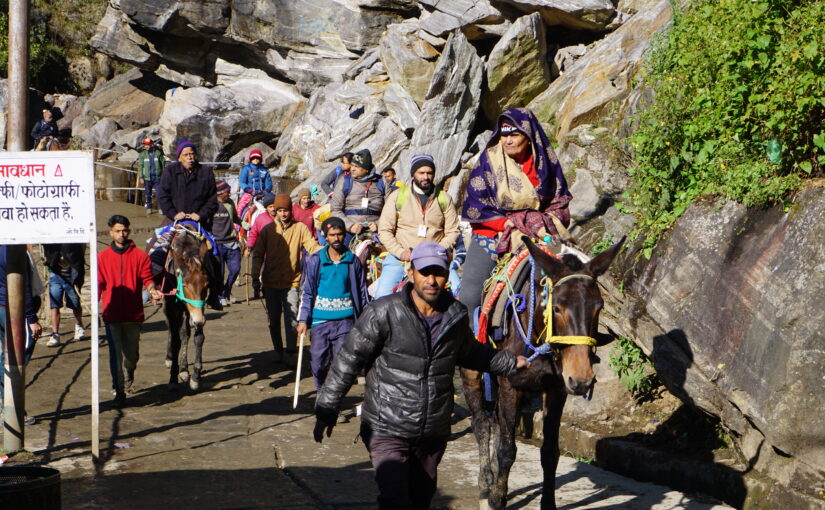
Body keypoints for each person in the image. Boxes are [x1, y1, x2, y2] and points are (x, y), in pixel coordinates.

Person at [314, 242, 530, 510]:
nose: (432, 280)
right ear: (411, 272)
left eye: (438, 272)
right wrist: (327, 407)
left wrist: (509, 362)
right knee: (395, 499)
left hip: (432, 431)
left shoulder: (455, 314)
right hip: (387, 426)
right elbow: (348, 360)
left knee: (421, 499)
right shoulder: (383, 312)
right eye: (424, 272)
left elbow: (470, 352)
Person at [460, 107, 572, 318]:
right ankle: (467, 346)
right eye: (504, 135)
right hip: (495, 234)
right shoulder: (488, 162)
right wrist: (509, 224)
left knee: (576, 275)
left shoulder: (546, 163)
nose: (507, 140)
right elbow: (477, 206)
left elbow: (559, 200)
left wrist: (540, 222)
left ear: (528, 137)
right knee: (469, 298)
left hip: (543, 232)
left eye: (514, 135)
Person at [296, 217, 368, 390]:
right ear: (325, 237)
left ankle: (332, 400)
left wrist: (366, 320)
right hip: (320, 321)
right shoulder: (316, 261)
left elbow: (362, 292)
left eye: (340, 234)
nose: (336, 238)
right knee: (318, 364)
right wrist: (303, 319)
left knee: (340, 365)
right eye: (332, 235)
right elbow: (307, 292)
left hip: (345, 321)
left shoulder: (352, 261)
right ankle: (322, 392)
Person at [97, 215, 161, 408]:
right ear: (111, 232)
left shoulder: (140, 256)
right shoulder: (102, 257)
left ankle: (129, 372)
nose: (121, 234)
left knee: (131, 355)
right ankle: (119, 388)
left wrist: (152, 290)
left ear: (129, 231)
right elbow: (99, 283)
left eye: (124, 230)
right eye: (117, 230)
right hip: (111, 314)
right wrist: (95, 303)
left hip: (134, 314)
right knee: (114, 354)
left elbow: (147, 278)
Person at [374, 155, 460, 298]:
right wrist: (401, 252)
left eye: (429, 173)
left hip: (436, 258)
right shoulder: (397, 197)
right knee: (381, 298)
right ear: (413, 173)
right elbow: (384, 230)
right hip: (401, 260)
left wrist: (438, 250)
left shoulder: (444, 198)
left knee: (460, 294)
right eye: (421, 173)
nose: (426, 177)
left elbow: (453, 231)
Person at [251, 194, 319, 365]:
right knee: (273, 321)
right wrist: (254, 276)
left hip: (292, 282)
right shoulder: (268, 230)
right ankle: (277, 350)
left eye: (285, 210)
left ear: (291, 211)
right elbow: (258, 255)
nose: (282, 214)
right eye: (279, 210)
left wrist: (328, 251)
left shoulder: (300, 228)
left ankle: (290, 351)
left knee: (292, 320)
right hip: (270, 282)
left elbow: (312, 246)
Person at [156, 138, 224, 310]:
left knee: (215, 252)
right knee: (153, 246)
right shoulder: (170, 171)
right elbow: (162, 196)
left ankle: (215, 293)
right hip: (174, 219)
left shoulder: (206, 172)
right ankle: (153, 287)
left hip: (199, 222)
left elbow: (212, 200)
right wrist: (173, 213)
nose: (190, 157)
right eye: (186, 155)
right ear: (179, 157)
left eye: (192, 154)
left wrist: (200, 215)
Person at [0, 245, 43, 425]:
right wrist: (31, 318)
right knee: (19, 352)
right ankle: (12, 409)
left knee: (9, 352)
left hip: (4, 307)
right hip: (12, 308)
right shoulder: (14, 249)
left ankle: (10, 406)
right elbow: (22, 286)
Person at [330, 149, 387, 243]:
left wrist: (378, 224)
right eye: (352, 165)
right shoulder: (344, 181)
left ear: (366, 169)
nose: (352, 169)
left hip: (376, 229)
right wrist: (350, 226)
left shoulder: (382, 182)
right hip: (350, 229)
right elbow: (335, 209)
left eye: (356, 166)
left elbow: (390, 210)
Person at [42, 243, 85, 347]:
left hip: (72, 274)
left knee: (75, 303)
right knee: (54, 304)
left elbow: (82, 247)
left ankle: (79, 325)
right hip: (55, 274)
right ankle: (55, 334)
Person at [213, 180, 243, 306]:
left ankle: (227, 290)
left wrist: (244, 224)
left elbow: (235, 217)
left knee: (235, 269)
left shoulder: (230, 203)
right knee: (219, 272)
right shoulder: (211, 205)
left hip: (231, 241)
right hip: (217, 242)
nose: (229, 194)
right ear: (220, 193)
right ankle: (219, 295)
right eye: (227, 192)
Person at [245, 192, 276, 300]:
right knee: (256, 270)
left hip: (273, 251)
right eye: (270, 206)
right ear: (266, 207)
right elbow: (253, 233)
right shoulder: (260, 218)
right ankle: (256, 286)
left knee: (268, 271)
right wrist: (249, 247)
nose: (273, 209)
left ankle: (266, 289)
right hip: (260, 248)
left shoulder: (280, 219)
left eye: (274, 206)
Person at [237, 149, 273, 215]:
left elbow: (268, 183)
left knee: (273, 206)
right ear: (251, 159)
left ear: (260, 159)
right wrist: (248, 190)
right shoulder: (246, 169)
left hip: (262, 194)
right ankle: (237, 223)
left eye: (257, 158)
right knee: (239, 209)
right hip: (249, 194)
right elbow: (242, 182)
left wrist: (267, 191)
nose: (255, 159)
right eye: (254, 158)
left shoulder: (264, 170)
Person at [137, 138, 165, 215]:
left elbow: (162, 164)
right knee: (148, 194)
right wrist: (141, 177)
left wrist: (163, 176)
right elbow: (140, 166)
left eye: (147, 144)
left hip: (157, 177)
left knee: (159, 193)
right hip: (147, 177)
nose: (146, 146)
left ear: (151, 144)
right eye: (145, 144)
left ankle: (160, 208)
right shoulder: (142, 154)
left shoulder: (158, 153)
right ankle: (149, 208)